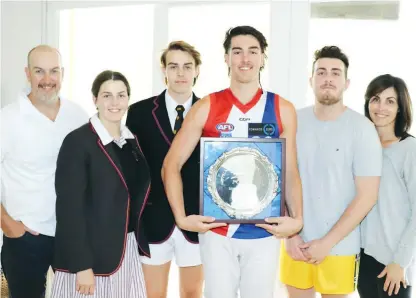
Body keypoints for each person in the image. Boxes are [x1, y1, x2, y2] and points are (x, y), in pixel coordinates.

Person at [162, 25, 303, 298]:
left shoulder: (282, 108)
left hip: (265, 232)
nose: (245, 59)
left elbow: (290, 171)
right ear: (226, 58)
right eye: (237, 52)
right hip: (217, 232)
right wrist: (181, 218)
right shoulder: (207, 106)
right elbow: (171, 165)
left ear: (263, 57)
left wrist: (297, 220)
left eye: (253, 51)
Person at [279, 46, 383, 297]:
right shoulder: (292, 120)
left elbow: (367, 195)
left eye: (335, 73)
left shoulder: (363, 128)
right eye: (321, 72)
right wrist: (290, 235)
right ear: (311, 80)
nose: (328, 78)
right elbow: (277, 180)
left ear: (346, 82)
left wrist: (327, 243)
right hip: (296, 243)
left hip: (339, 247)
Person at [51, 70, 150, 297]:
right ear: (95, 100)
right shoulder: (78, 141)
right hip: (90, 260)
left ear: (128, 99)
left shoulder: (130, 141)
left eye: (121, 95)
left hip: (125, 251)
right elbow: (69, 209)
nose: (114, 102)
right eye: (106, 95)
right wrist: (82, 265)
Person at [0, 45, 88, 298]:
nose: (47, 80)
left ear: (63, 73)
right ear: (27, 73)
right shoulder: (7, 119)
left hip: (70, 234)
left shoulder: (77, 114)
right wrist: (6, 223)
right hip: (25, 236)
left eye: (54, 71)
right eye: (39, 71)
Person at [126, 40, 203, 298]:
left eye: (187, 66)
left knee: (192, 292)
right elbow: (132, 168)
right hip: (153, 218)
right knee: (153, 294)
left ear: (197, 71)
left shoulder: (210, 111)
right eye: (174, 66)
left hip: (197, 219)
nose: (180, 73)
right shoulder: (139, 112)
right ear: (164, 71)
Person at [358, 74, 415, 298]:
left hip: (394, 263)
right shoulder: (364, 146)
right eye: (375, 99)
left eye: (390, 101)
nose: (381, 107)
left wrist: (399, 262)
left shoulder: (409, 149)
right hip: (364, 259)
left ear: (400, 108)